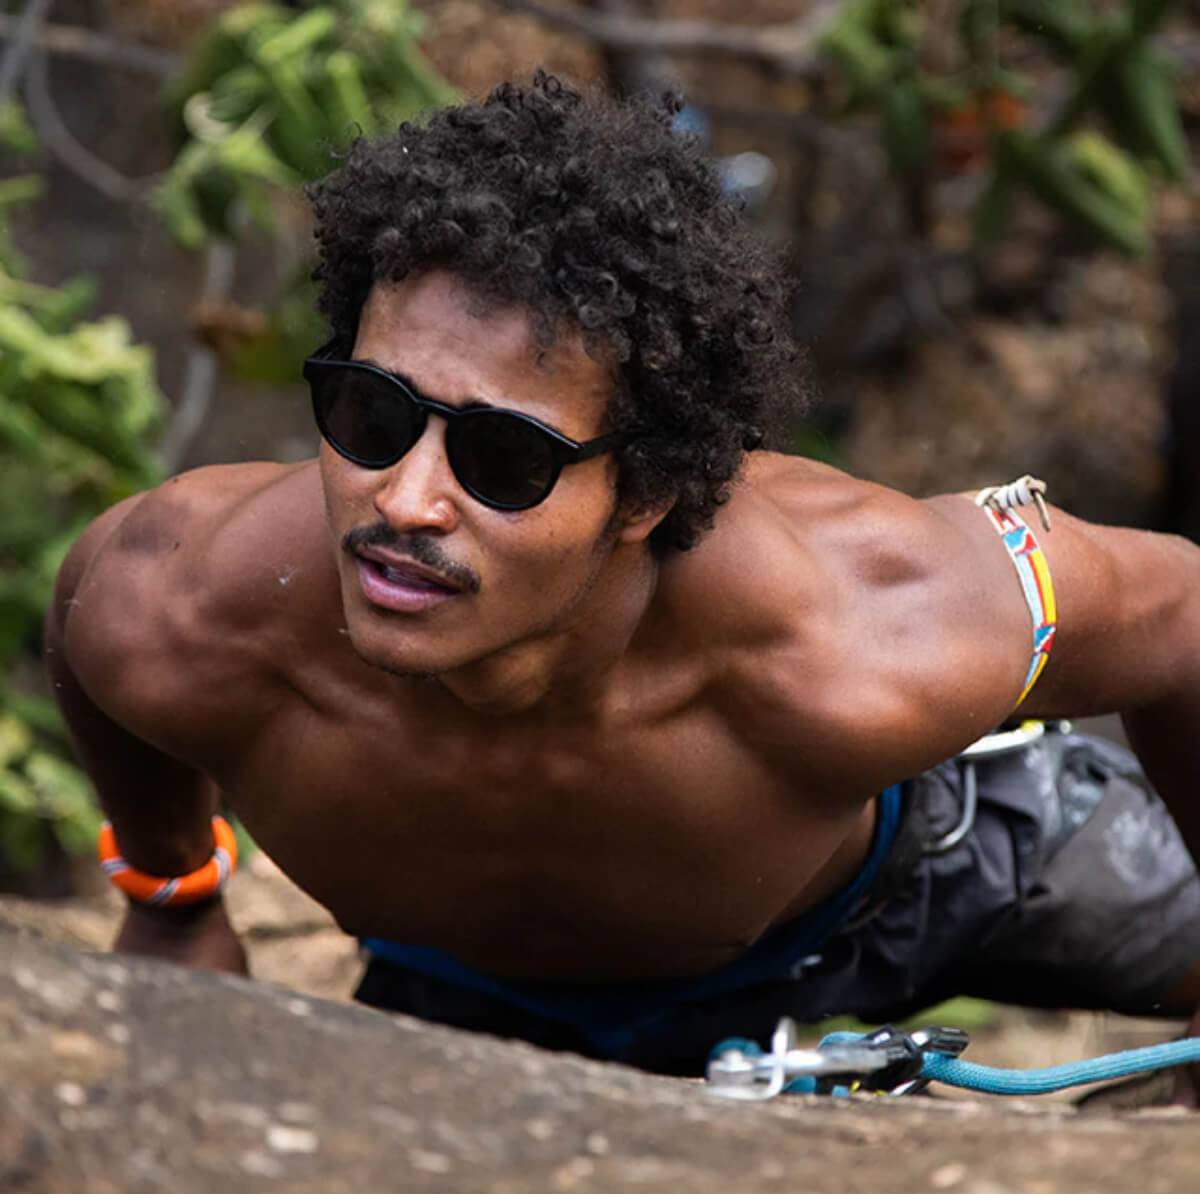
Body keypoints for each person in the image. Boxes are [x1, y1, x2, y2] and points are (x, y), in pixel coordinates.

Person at [46, 73, 1200, 1085]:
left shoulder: (861, 636)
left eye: (505, 459)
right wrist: (170, 899)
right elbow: (89, 646)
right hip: (484, 995)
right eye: (373, 412)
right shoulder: (181, 602)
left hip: (925, 883)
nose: (403, 501)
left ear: (644, 493)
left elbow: (1183, 609)